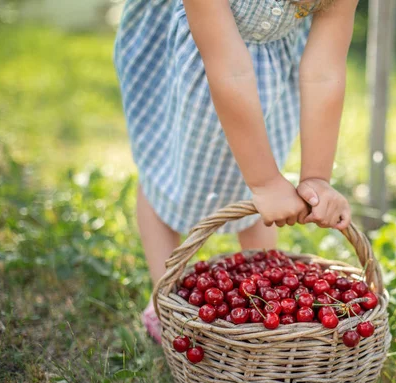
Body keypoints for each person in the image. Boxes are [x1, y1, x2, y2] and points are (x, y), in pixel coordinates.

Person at [114, 0, 358, 342]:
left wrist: (316, 177)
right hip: (191, 56)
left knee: (265, 178)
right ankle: (166, 300)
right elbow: (228, 66)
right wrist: (265, 181)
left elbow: (324, 71)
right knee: (167, 175)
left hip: (266, 76)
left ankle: (264, 301)